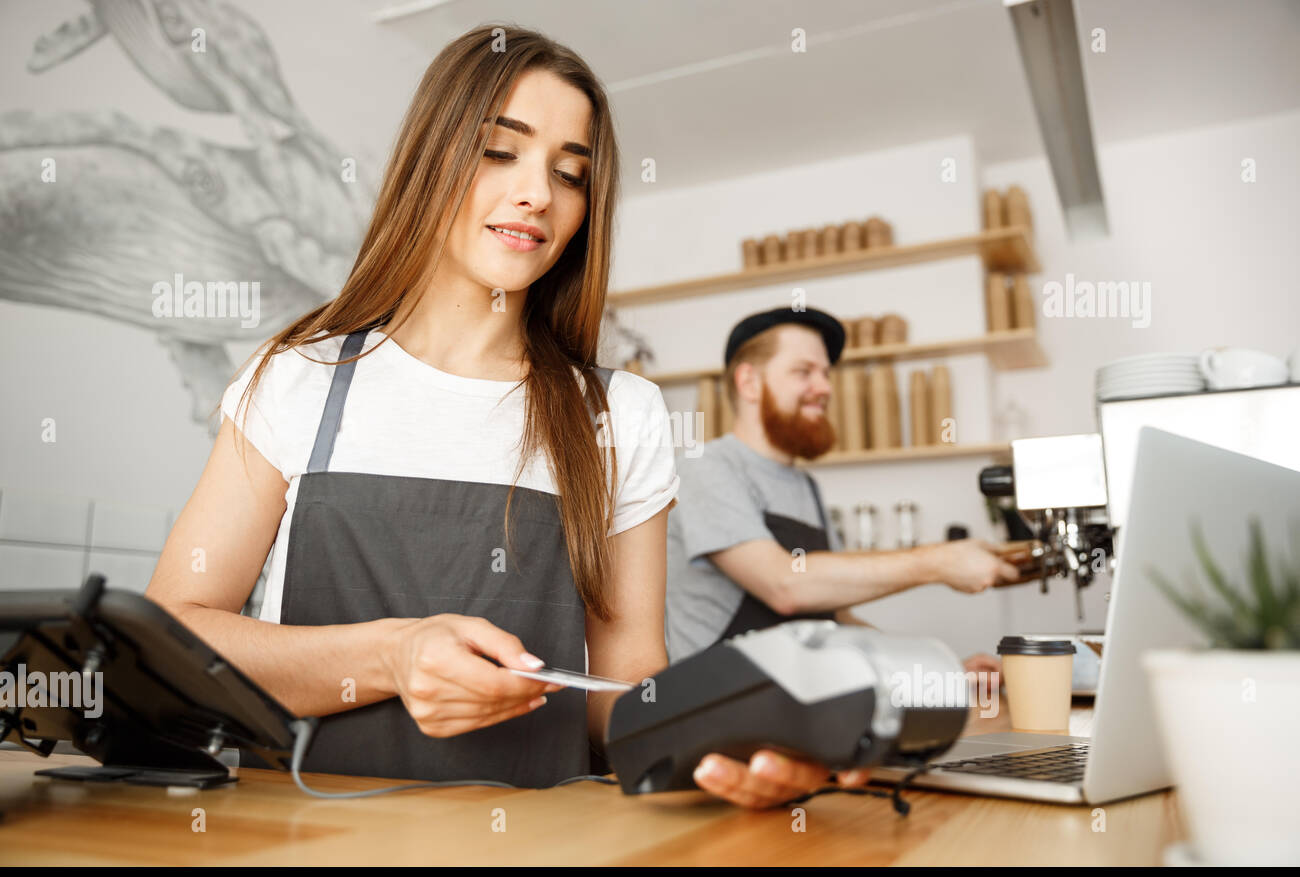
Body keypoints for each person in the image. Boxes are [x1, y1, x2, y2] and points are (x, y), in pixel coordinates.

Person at [146, 25, 682, 790]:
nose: (537, 193)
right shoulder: (299, 377)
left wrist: (714, 739)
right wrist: (391, 658)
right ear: (433, 159)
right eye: (501, 151)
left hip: (535, 847)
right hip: (302, 840)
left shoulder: (620, 414)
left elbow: (627, 687)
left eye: (570, 173)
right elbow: (174, 641)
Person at [664, 307, 1021, 803]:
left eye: (827, 374)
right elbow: (784, 585)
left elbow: (834, 618)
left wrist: (932, 671)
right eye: (804, 371)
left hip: (797, 725)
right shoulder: (705, 469)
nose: (824, 387)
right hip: (717, 744)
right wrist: (936, 562)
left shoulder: (806, 488)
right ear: (749, 381)